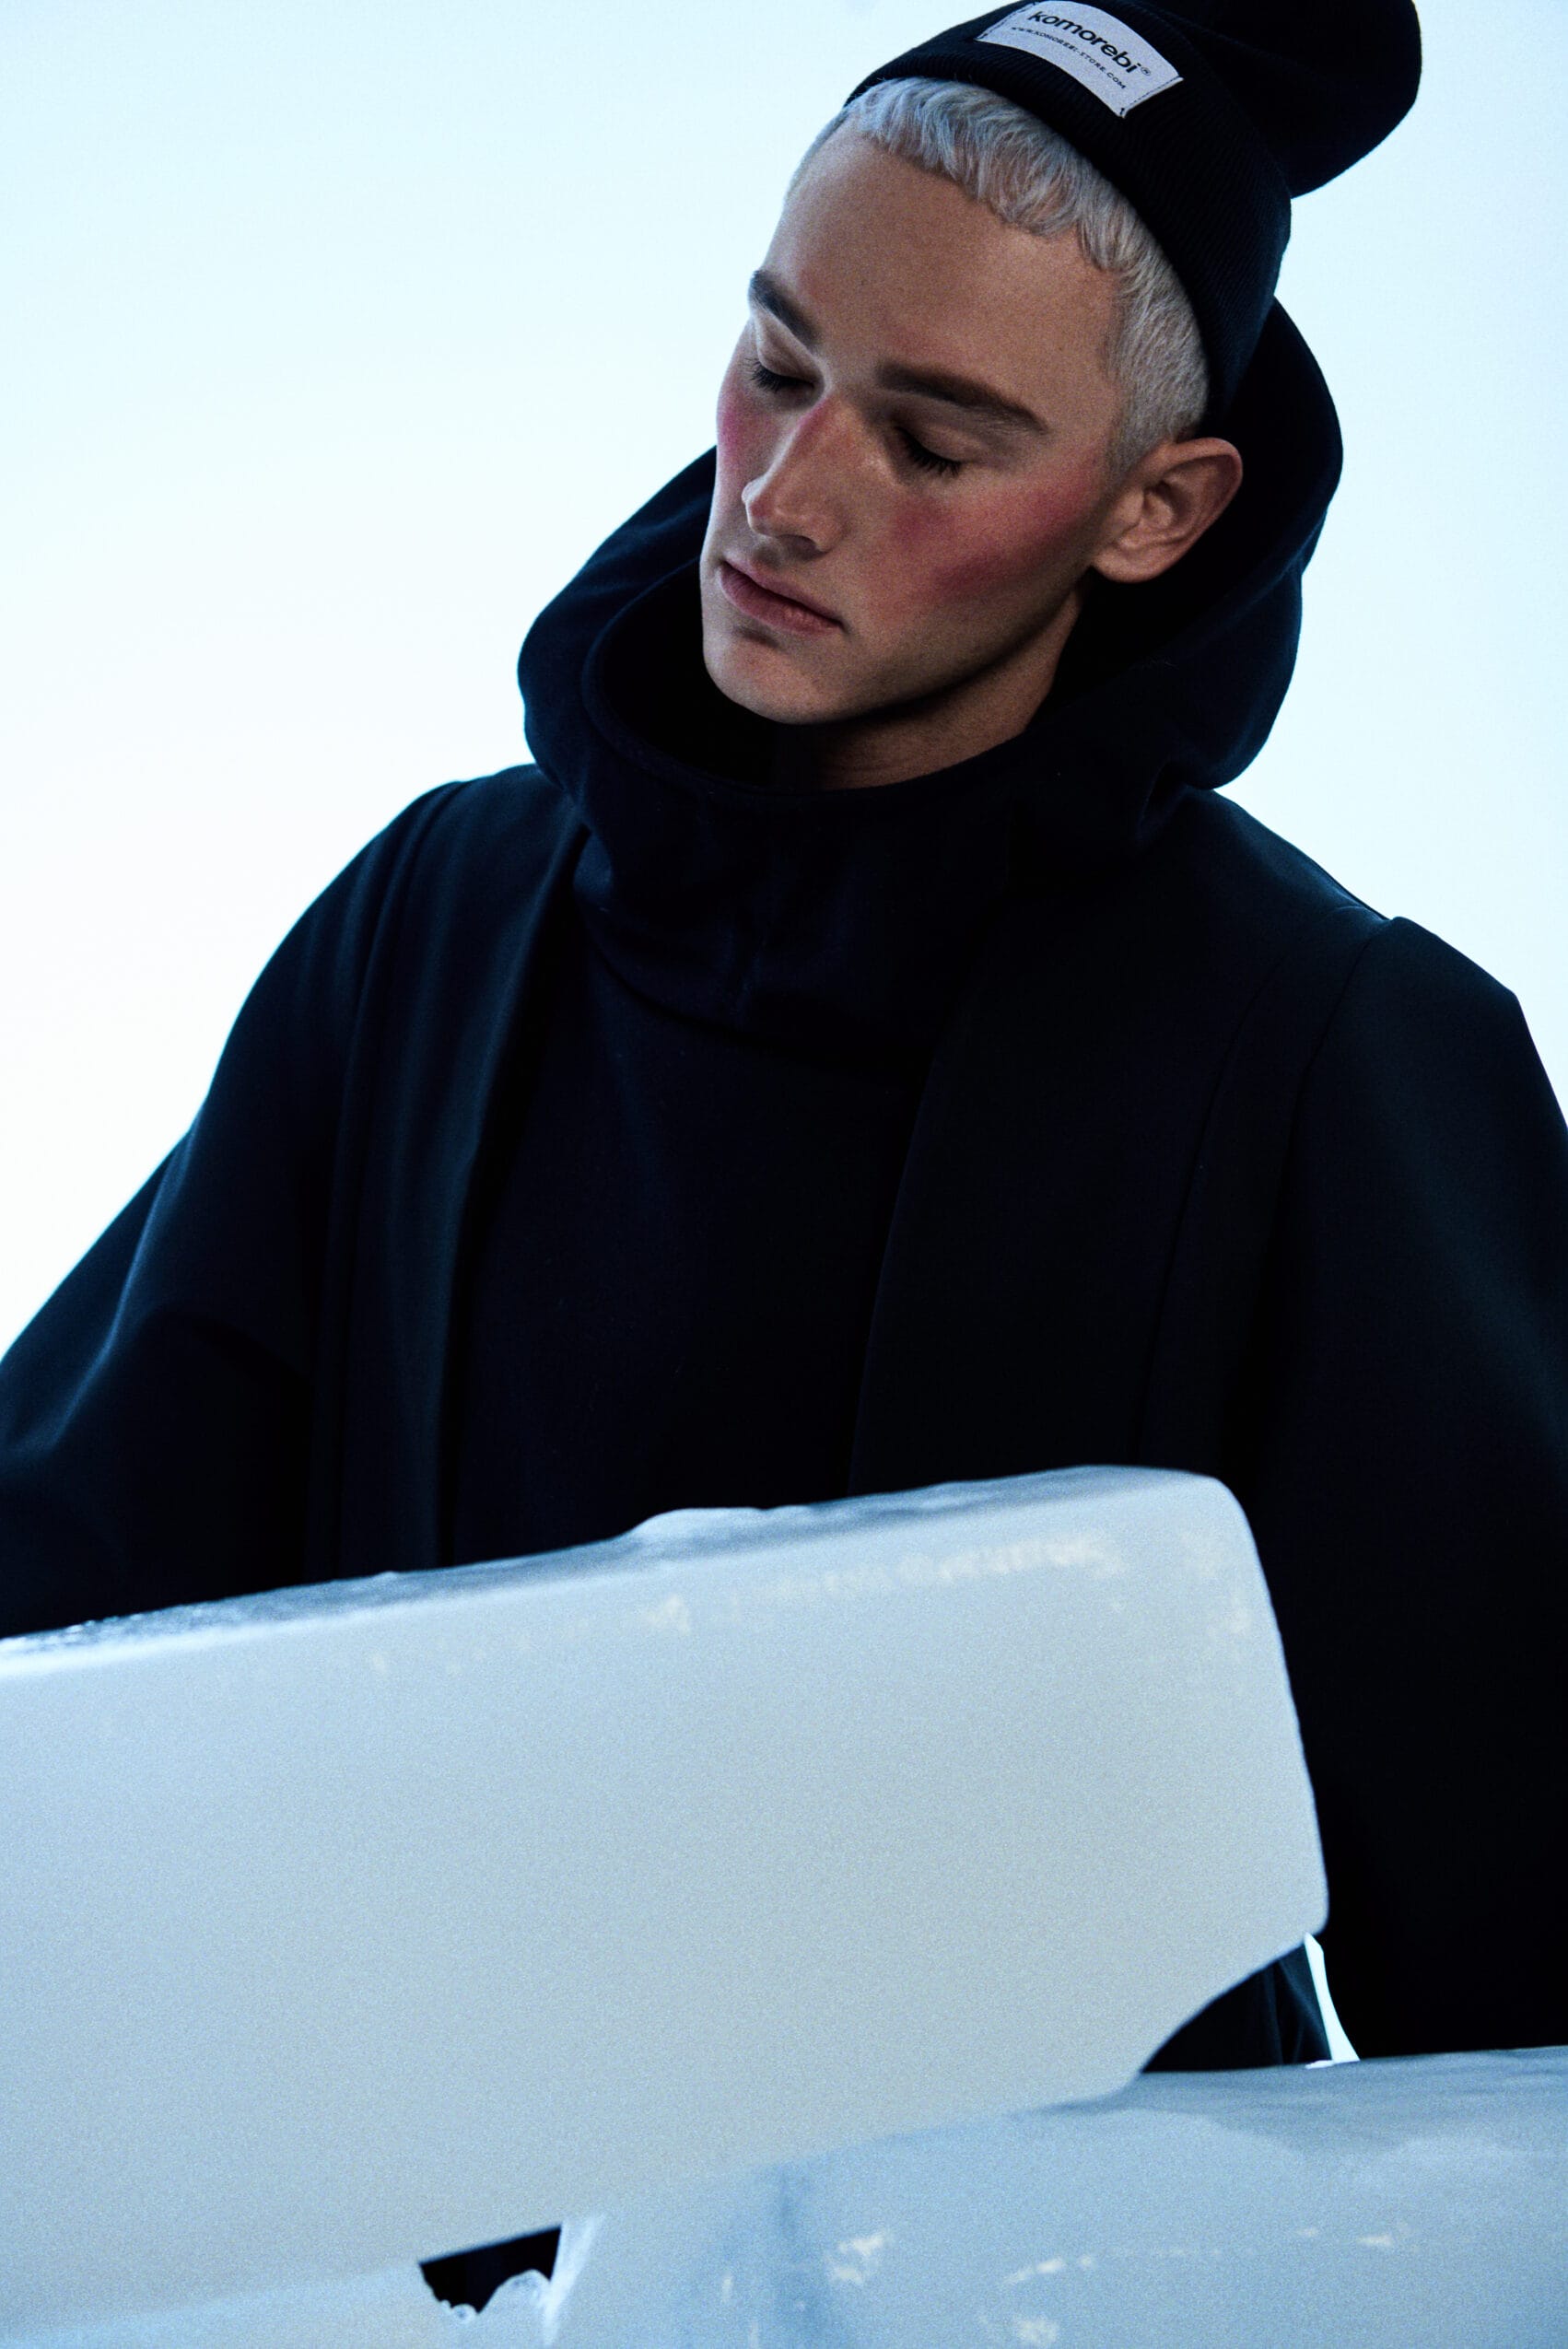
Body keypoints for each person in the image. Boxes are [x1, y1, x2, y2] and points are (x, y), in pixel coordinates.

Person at [3, 0, 1564, 2200]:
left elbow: (1517, 1946)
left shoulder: (1326, 1054)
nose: (785, 492)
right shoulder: (439, 919)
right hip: (420, 2283)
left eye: (932, 444)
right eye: (774, 359)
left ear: (1152, 509)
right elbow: (79, 1554)